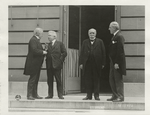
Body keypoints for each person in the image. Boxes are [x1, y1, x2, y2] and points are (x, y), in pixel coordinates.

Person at [79, 28, 106, 100]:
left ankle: (96, 95)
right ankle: (88, 95)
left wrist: (103, 63)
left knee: (96, 80)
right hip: (87, 64)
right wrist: (81, 63)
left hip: (97, 64)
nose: (91, 35)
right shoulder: (85, 42)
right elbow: (81, 53)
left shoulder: (100, 42)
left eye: (93, 33)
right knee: (88, 80)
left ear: (95, 34)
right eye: (90, 33)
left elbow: (103, 53)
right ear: (88, 34)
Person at [24, 28, 47, 100]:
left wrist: (44, 50)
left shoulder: (35, 40)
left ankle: (34, 94)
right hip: (33, 63)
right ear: (38, 33)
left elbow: (36, 50)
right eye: (42, 34)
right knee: (33, 79)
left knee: (36, 79)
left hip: (36, 63)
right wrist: (43, 52)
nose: (42, 35)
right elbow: (34, 50)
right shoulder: (33, 40)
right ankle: (30, 95)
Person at [107, 21, 126, 102]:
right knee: (112, 78)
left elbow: (120, 51)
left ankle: (120, 96)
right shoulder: (115, 36)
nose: (109, 29)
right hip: (113, 61)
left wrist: (117, 63)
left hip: (117, 62)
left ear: (114, 28)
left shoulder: (119, 36)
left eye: (110, 27)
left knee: (118, 79)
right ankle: (115, 95)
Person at [45, 31, 67, 99]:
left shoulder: (60, 44)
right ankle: (50, 94)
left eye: (50, 35)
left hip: (57, 65)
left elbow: (64, 53)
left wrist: (60, 60)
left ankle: (60, 94)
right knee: (49, 80)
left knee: (58, 80)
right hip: (49, 65)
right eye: (48, 35)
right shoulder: (47, 44)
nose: (48, 37)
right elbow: (45, 52)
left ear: (54, 36)